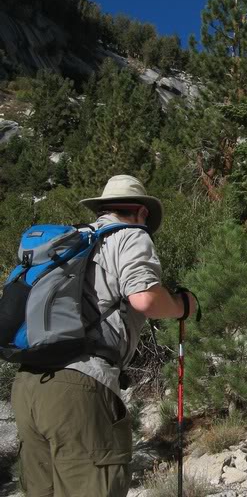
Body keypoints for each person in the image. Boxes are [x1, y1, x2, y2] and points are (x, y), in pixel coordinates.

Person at [10, 174, 198, 497]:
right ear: (141, 212)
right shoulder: (131, 236)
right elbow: (146, 299)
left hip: (28, 385)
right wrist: (182, 305)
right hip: (78, 389)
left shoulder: (73, 242)